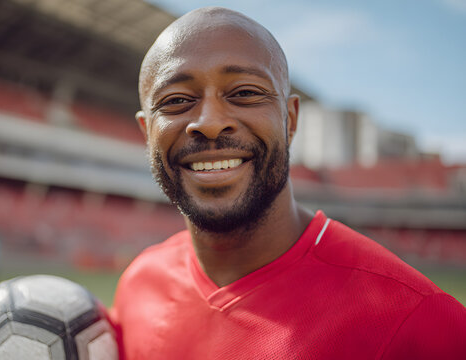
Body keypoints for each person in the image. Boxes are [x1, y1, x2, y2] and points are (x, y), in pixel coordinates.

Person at [110, 7, 466, 359]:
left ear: (290, 120)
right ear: (146, 133)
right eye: (176, 100)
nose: (210, 122)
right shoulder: (137, 286)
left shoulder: (421, 319)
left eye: (245, 93)